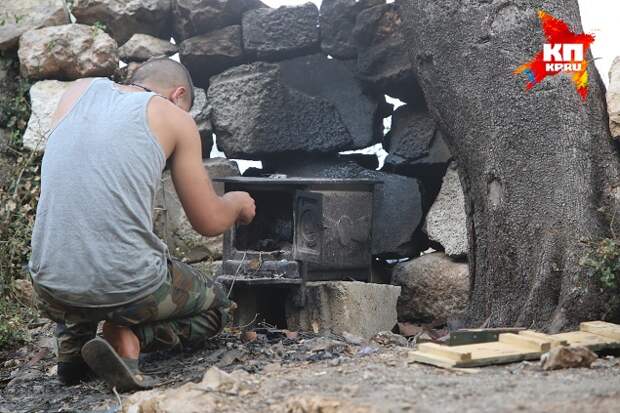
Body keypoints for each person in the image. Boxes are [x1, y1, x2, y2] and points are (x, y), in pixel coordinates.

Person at [28, 58, 256, 391]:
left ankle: (73, 349)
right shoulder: (175, 117)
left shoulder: (77, 91)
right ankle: (130, 337)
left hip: (49, 285)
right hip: (131, 288)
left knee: (80, 255)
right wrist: (237, 203)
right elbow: (209, 222)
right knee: (219, 305)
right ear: (178, 95)